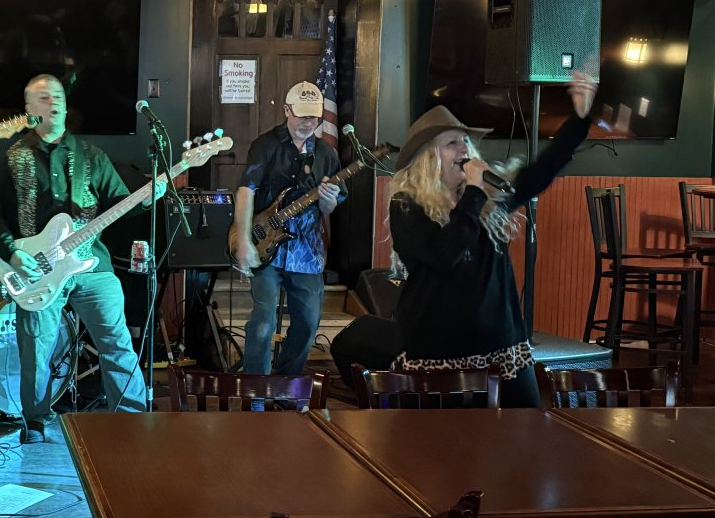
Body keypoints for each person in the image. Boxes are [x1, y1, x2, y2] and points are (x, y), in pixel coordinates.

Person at [386, 71, 597, 408]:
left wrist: (580, 119)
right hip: (437, 352)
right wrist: (473, 192)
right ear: (428, 157)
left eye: (465, 142)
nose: (464, 149)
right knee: (442, 439)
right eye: (452, 143)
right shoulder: (406, 206)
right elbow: (445, 253)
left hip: (502, 345)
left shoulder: (490, 196)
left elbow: (542, 171)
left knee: (526, 429)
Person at [0, 74, 150, 443]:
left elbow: (121, 203)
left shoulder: (91, 156)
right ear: (29, 109)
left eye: (57, 95)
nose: (53, 102)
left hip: (91, 265)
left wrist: (150, 196)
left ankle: (132, 420)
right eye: (44, 98)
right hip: (36, 268)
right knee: (35, 348)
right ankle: (36, 421)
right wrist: (12, 253)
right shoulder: (14, 158)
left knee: (117, 343)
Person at [231, 81, 343, 375]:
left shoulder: (326, 153)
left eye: (314, 117)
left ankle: (286, 383)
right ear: (286, 111)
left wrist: (328, 199)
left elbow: (329, 207)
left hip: (307, 251)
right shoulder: (266, 145)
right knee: (263, 322)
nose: (309, 123)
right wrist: (243, 241)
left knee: (308, 322)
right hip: (266, 246)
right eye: (303, 115)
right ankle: (256, 387)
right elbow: (246, 191)